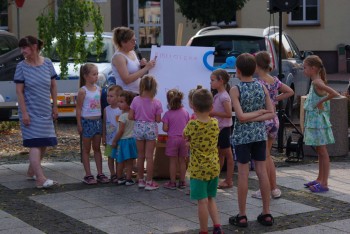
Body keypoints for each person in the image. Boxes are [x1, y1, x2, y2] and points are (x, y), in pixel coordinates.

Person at [229, 53, 275, 227]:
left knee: (243, 173)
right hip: (259, 135)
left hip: (242, 136)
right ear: (254, 69)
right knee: (262, 172)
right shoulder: (261, 86)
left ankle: (242, 215)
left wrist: (250, 116)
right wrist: (258, 114)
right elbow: (270, 113)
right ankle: (267, 213)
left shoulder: (236, 89)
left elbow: (240, 116)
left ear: (238, 70)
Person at [14, 35, 58, 189]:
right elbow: (19, 92)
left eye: (25, 47)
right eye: (21, 48)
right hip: (30, 111)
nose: (22, 51)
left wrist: (55, 106)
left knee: (44, 142)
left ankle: (32, 170)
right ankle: (40, 178)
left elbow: (53, 86)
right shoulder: (21, 67)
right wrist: (24, 113)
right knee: (34, 143)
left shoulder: (47, 63)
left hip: (45, 108)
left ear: (34, 46)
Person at [251, 51, 294, 199]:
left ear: (257, 65)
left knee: (261, 158)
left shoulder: (257, 82)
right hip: (274, 120)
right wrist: (275, 98)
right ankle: (274, 188)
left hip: (263, 119)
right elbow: (290, 91)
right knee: (268, 155)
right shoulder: (274, 80)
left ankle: (265, 188)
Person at [183, 88, 223, 234]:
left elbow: (185, 135)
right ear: (212, 107)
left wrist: (189, 143)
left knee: (202, 201)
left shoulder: (192, 125)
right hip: (213, 166)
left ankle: (203, 230)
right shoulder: (214, 122)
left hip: (198, 169)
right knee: (211, 198)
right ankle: (217, 226)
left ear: (192, 106)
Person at [302, 55, 339, 193]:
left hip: (318, 122)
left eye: (305, 67)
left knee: (323, 152)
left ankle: (324, 183)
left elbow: (334, 93)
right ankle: (319, 179)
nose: (303, 70)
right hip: (315, 121)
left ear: (313, 68)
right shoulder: (316, 82)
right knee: (319, 151)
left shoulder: (317, 83)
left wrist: (319, 102)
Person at [76, 63, 110, 185]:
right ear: (86, 76)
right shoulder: (82, 91)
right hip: (87, 122)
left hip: (97, 121)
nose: (96, 77)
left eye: (97, 74)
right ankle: (88, 174)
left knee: (97, 148)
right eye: (93, 74)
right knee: (86, 149)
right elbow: (79, 109)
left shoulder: (99, 90)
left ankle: (100, 173)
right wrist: (79, 124)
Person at [129, 75, 163, 190]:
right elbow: (158, 120)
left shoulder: (135, 100)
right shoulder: (157, 102)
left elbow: (130, 116)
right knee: (149, 157)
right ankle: (149, 181)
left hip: (138, 127)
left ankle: (140, 180)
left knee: (140, 155)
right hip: (150, 128)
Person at [111, 26, 156, 94]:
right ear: (123, 42)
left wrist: (141, 66)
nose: (135, 43)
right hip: (126, 95)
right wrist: (146, 68)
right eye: (132, 41)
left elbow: (137, 74)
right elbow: (127, 80)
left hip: (137, 92)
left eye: (135, 40)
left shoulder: (132, 52)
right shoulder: (119, 57)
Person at [209, 69, 234, 189]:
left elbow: (229, 114)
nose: (211, 83)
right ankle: (217, 178)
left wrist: (214, 113)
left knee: (227, 154)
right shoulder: (218, 95)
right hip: (218, 128)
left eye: (213, 80)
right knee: (220, 155)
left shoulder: (224, 97)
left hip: (224, 128)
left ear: (221, 81)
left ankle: (229, 180)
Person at [162, 89, 190, 190]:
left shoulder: (167, 114)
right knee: (182, 161)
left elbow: (165, 128)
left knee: (172, 162)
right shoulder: (185, 112)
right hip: (183, 139)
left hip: (172, 139)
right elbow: (188, 125)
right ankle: (182, 182)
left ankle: (172, 182)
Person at [112, 90, 138, 186]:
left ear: (129, 104)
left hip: (123, 141)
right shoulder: (133, 115)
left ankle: (119, 178)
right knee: (130, 161)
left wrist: (115, 140)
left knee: (120, 161)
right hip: (132, 140)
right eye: (119, 101)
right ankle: (128, 179)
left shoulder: (122, 116)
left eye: (122, 102)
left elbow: (121, 130)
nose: (119, 104)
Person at [102, 85, 123, 183]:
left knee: (118, 157)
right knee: (110, 156)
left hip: (119, 138)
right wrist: (104, 136)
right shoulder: (106, 109)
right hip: (109, 138)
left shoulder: (121, 110)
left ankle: (119, 174)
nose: (108, 98)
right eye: (108, 96)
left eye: (111, 96)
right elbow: (104, 123)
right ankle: (112, 174)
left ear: (118, 97)